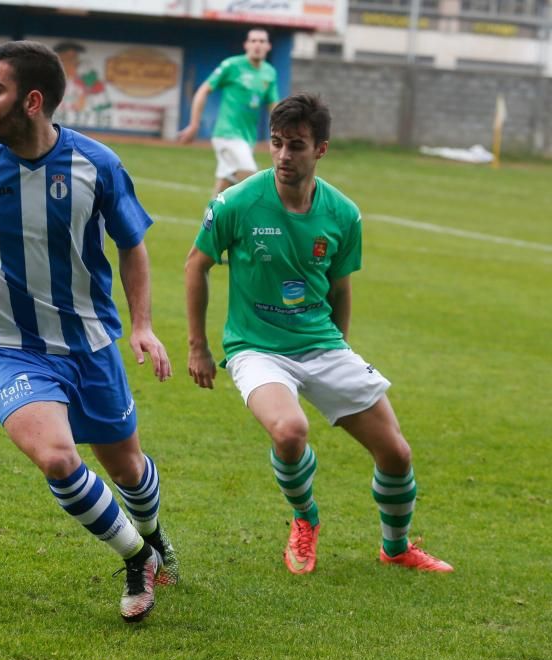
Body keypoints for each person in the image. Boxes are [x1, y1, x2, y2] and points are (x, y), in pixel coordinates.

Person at [0, 40, 178, 622]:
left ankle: (154, 536)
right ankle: (136, 557)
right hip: (8, 348)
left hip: (89, 345)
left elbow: (132, 244)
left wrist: (142, 326)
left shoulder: (97, 165)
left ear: (32, 101)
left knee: (127, 469)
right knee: (59, 459)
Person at [184, 93, 453, 576]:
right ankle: (305, 520)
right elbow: (195, 266)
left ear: (321, 150)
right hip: (256, 348)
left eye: (297, 146)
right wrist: (198, 346)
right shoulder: (238, 202)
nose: (284, 155)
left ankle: (395, 546)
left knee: (396, 452)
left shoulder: (343, 213)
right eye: (277, 143)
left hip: (322, 344)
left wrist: (340, 349)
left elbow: (340, 288)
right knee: (290, 431)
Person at [177, 28, 279, 196]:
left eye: (262, 41)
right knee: (250, 175)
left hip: (247, 137)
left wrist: (281, 131)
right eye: (253, 41)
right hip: (227, 134)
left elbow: (273, 106)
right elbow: (203, 90)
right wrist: (194, 124)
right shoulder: (231, 65)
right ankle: (258, 220)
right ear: (246, 45)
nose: (257, 45)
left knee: (225, 184)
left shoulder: (270, 72)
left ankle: (210, 219)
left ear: (268, 46)